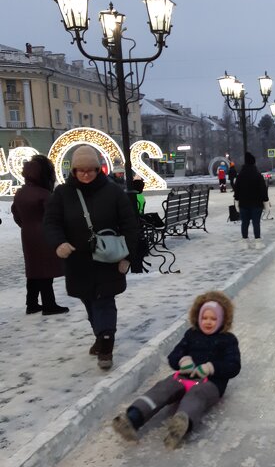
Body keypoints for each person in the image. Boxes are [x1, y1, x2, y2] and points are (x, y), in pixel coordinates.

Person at [43, 145, 138, 369]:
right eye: (80, 170)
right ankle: (100, 334)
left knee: (104, 300)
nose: (86, 174)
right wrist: (59, 243)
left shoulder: (113, 191)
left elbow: (130, 225)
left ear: (98, 169)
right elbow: (51, 222)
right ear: (73, 171)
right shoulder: (63, 194)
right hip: (78, 261)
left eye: (90, 170)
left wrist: (128, 257)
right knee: (89, 300)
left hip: (109, 258)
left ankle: (106, 343)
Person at [112, 291, 241, 449]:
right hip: (184, 376)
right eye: (204, 318)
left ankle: (181, 425)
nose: (208, 322)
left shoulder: (228, 340)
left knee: (196, 396)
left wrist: (210, 367)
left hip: (211, 383)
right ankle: (133, 417)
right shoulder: (191, 334)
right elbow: (174, 355)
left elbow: (233, 366)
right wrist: (182, 360)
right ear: (198, 317)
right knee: (163, 388)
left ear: (222, 320)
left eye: (213, 319)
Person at [11, 154, 69, 316]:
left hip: (27, 234)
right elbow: (54, 217)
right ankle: (49, 304)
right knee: (45, 270)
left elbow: (16, 215)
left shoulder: (21, 193)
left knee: (33, 269)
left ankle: (32, 303)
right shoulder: (44, 194)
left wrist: (27, 226)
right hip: (44, 235)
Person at [233, 151, 269, 249]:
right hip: (256, 204)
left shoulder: (240, 176)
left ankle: (245, 241)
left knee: (244, 222)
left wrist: (236, 201)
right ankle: (258, 242)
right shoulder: (258, 175)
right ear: (254, 163)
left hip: (243, 203)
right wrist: (266, 203)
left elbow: (237, 189)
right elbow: (263, 190)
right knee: (256, 223)